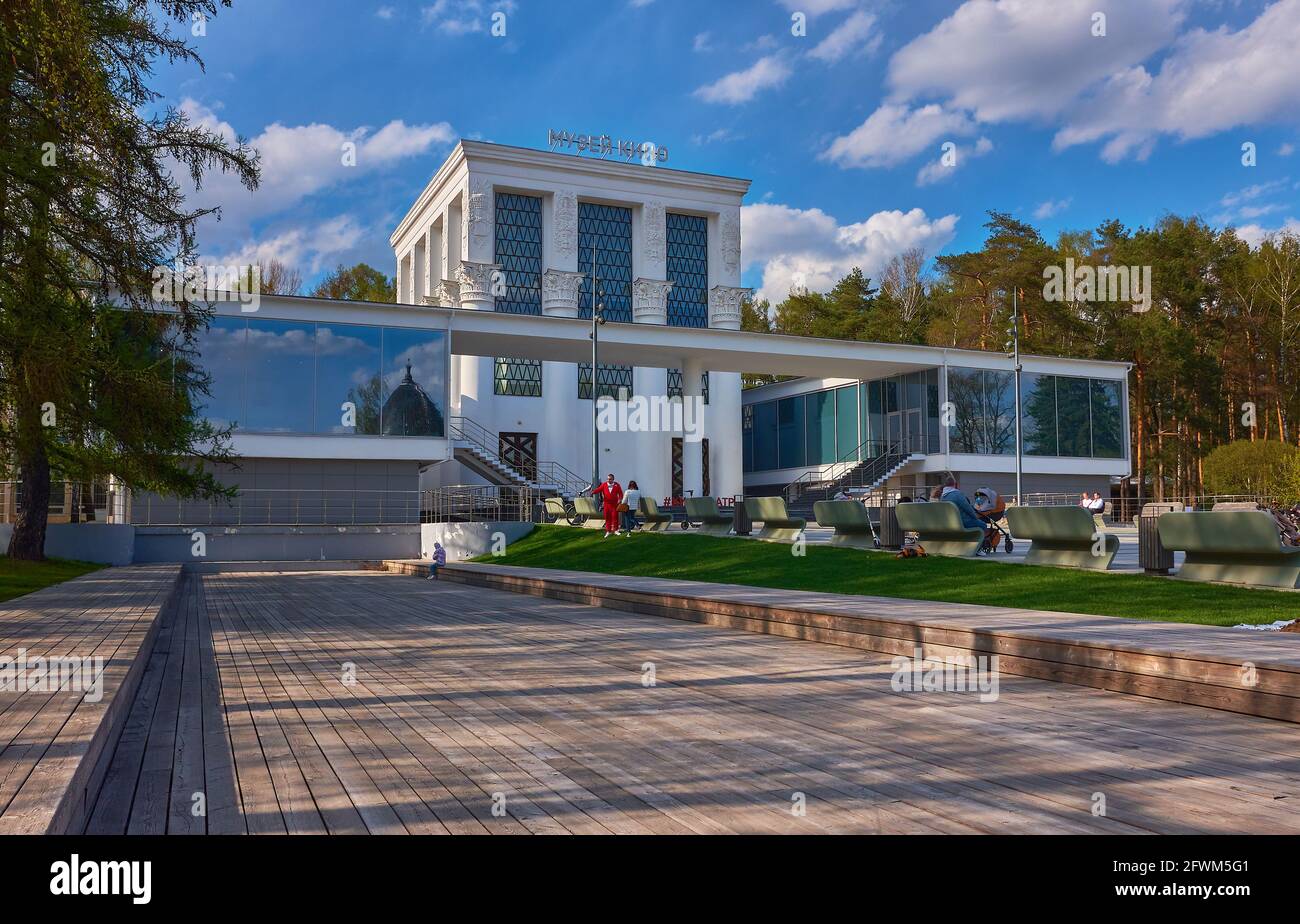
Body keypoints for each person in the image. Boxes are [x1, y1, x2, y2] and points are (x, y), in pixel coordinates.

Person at [939, 476, 986, 544]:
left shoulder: (942, 496)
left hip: (950, 523)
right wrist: (975, 517)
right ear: (955, 484)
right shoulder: (957, 494)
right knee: (983, 525)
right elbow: (968, 509)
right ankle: (978, 548)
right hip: (962, 522)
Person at [591, 473, 623, 538]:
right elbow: (598, 489)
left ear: (613, 479)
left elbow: (620, 493)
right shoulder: (604, 484)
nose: (608, 480)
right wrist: (593, 492)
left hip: (614, 504)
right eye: (608, 479)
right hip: (606, 504)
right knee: (607, 518)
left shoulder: (617, 485)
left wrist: (620, 499)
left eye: (610, 479)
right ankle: (608, 531)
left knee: (615, 517)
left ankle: (616, 530)